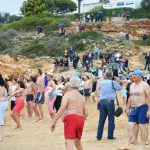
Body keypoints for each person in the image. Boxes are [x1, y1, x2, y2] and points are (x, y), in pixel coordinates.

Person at [50, 77, 88, 150]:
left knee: (69, 143)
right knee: (77, 143)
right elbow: (86, 113)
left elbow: (62, 108)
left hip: (71, 118)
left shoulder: (68, 95)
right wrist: (81, 120)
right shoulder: (82, 97)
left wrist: (54, 122)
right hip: (80, 119)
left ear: (70, 84)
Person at [119, 70, 150, 150]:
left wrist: (149, 110)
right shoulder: (132, 85)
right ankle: (127, 145)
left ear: (140, 76)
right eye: (133, 75)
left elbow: (149, 97)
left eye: (135, 75)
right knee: (130, 126)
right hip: (133, 108)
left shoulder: (145, 85)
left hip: (143, 107)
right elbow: (130, 97)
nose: (133, 76)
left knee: (142, 127)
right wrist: (127, 107)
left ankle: (143, 146)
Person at [96, 71, 122, 140]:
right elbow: (119, 88)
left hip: (102, 101)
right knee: (111, 119)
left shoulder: (101, 82)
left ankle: (99, 136)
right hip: (110, 101)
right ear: (111, 76)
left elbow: (98, 90)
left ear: (105, 76)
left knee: (101, 119)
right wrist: (116, 81)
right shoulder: (112, 82)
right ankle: (110, 136)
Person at [0, 74, 9, 142]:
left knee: (1, 121)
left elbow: (1, 95)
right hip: (4, 102)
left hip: (2, 103)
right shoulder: (4, 85)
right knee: (2, 119)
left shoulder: (1, 87)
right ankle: (2, 135)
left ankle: (1, 137)